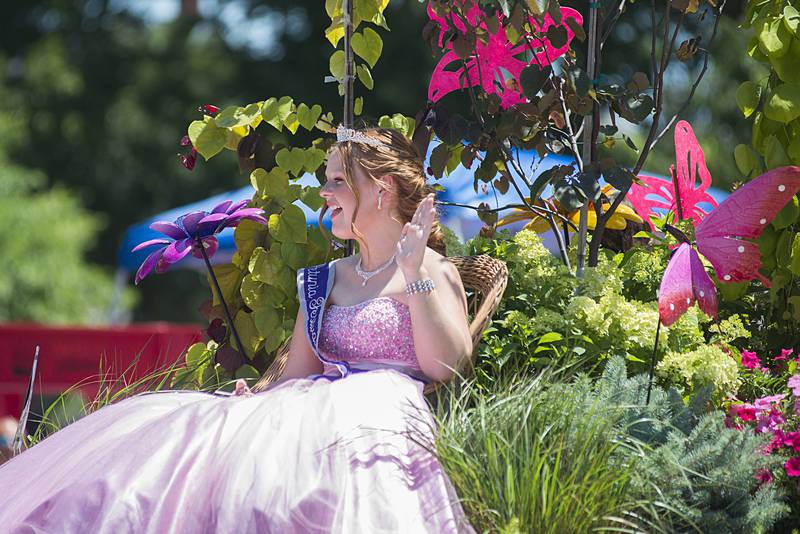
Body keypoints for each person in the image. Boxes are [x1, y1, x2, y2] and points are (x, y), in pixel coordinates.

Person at [0, 126, 476, 533]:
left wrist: (413, 273)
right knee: (190, 433)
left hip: (378, 416)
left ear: (381, 189)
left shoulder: (431, 269)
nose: (324, 193)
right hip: (309, 407)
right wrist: (260, 400)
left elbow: (446, 366)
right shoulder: (326, 278)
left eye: (336, 181)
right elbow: (299, 372)